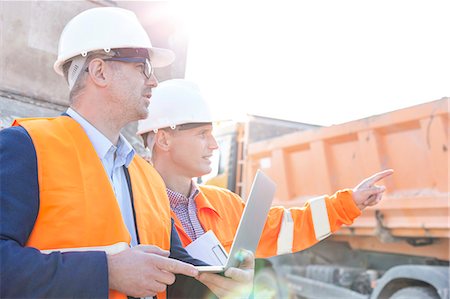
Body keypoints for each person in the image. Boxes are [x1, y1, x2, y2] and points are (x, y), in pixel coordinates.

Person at [0, 7, 254, 299]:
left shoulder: (148, 178)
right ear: (100, 71)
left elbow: (173, 273)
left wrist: (221, 282)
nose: (154, 81)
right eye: (142, 67)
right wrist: (108, 272)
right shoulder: (25, 146)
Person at [136, 79, 394, 258]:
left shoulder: (225, 204)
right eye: (202, 134)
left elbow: (288, 227)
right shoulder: (131, 204)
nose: (214, 145)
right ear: (164, 139)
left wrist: (350, 203)